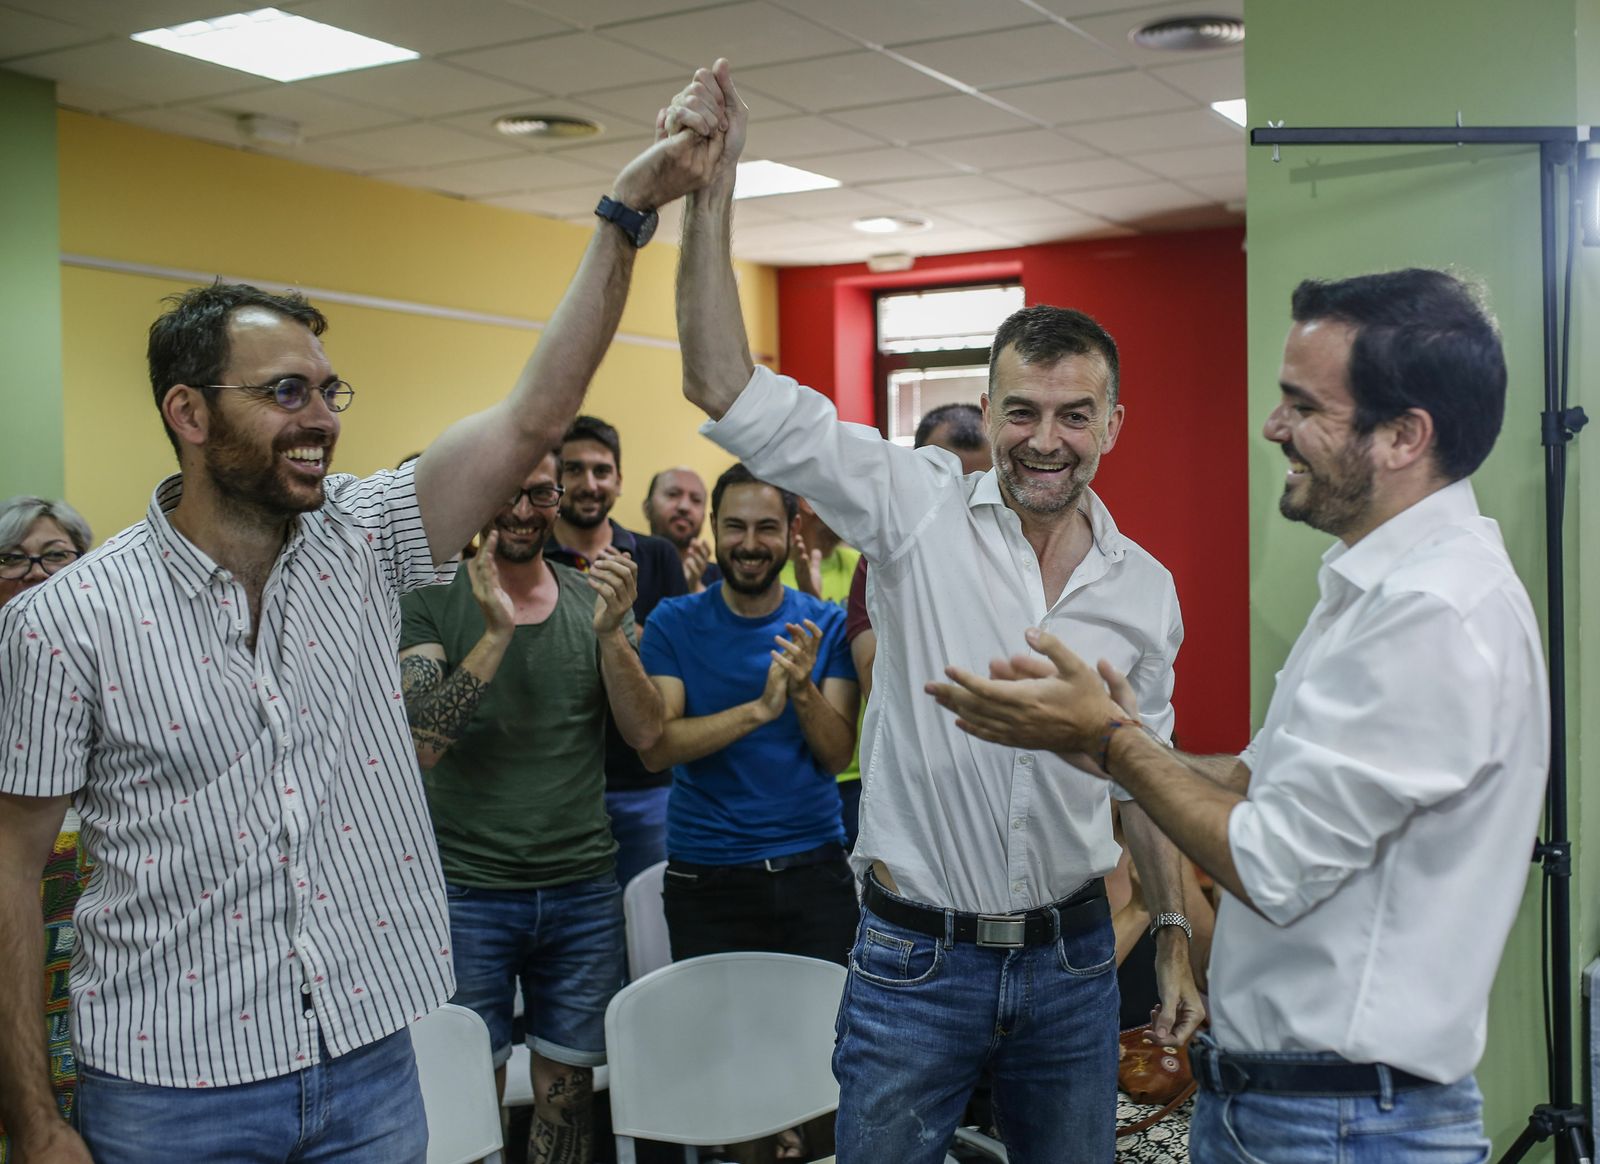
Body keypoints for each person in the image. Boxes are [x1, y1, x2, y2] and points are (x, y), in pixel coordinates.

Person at [0, 125, 716, 1164]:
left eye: (328, 390)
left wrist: (621, 215)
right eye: (285, 392)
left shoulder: (365, 537)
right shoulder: (66, 621)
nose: (322, 418)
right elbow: (12, 872)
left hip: (370, 1061)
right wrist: (33, 1118)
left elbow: (532, 416)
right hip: (171, 1087)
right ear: (188, 413)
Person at [664, 61, 1202, 1164]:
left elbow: (1143, 776)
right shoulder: (913, 511)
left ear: (1113, 422)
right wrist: (711, 193)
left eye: (1071, 414)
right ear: (989, 411)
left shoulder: (1143, 590)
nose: (1043, 438)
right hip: (914, 965)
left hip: (1071, 966)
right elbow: (723, 382)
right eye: (1019, 411)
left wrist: (1178, 932)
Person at [929, 269, 1548, 1162]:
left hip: (1339, 1126)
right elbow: (1257, 781)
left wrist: (1104, 738)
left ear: (1405, 436)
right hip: (1298, 1111)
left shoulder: (1432, 616)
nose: (1273, 427)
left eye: (1305, 406)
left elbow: (1269, 861)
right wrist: (1113, 740)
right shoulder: (1374, 590)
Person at [400, 450, 662, 1164]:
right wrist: (495, 635)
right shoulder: (430, 596)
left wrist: (614, 632)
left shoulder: (591, 602)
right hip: (468, 891)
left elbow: (646, 736)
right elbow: (424, 741)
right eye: (506, 492)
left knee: (568, 1091)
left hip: (580, 887)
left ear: (560, 498)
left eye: (539, 494)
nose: (521, 511)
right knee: (466, 1087)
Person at [638, 464, 859, 965]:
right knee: (715, 1041)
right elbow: (658, 746)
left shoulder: (826, 624)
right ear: (714, 526)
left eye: (766, 527)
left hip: (815, 871)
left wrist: (802, 689)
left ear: (791, 532)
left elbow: (836, 754)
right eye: (735, 526)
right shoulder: (672, 622)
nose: (749, 544)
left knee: (821, 1037)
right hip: (705, 875)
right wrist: (759, 710)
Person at [546, 415, 687, 892]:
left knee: (648, 926)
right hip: (560, 788)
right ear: (554, 477)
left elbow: (677, 664)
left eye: (602, 471)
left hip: (645, 783)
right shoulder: (534, 557)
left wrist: (618, 633)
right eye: (574, 469)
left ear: (620, 480)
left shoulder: (657, 556)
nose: (589, 484)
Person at [0, 497, 95, 1164]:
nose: (35, 573)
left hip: (85, 943)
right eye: (14, 558)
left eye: (56, 556)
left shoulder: (109, 670)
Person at [643, 466, 718, 592]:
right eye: (673, 494)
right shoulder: (627, 567)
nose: (684, 507)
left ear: (704, 517)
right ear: (647, 508)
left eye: (696, 500)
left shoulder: (723, 582)